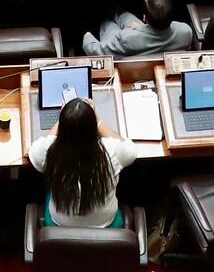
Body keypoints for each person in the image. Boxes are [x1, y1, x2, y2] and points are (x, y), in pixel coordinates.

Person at [30, 96, 139, 229]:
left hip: (60, 224)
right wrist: (97, 120)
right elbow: (131, 150)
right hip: (105, 224)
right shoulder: (111, 150)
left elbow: (35, 150)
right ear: (93, 128)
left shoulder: (49, 151)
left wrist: (63, 120)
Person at [84, 0, 193, 58]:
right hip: (142, 36)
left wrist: (88, 38)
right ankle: (112, 8)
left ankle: (105, 9)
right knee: (122, 15)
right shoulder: (185, 31)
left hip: (131, 43)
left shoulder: (125, 38)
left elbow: (95, 51)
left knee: (108, 22)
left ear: (145, 18)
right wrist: (141, 28)